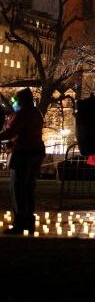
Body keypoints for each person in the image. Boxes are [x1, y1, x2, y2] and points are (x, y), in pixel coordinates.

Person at [0, 88, 46, 235]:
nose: (14, 103)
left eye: (15, 100)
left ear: (20, 100)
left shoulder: (21, 114)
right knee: (28, 189)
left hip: (22, 154)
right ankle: (29, 222)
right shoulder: (36, 113)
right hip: (35, 153)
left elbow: (11, 132)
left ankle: (19, 224)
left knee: (18, 189)